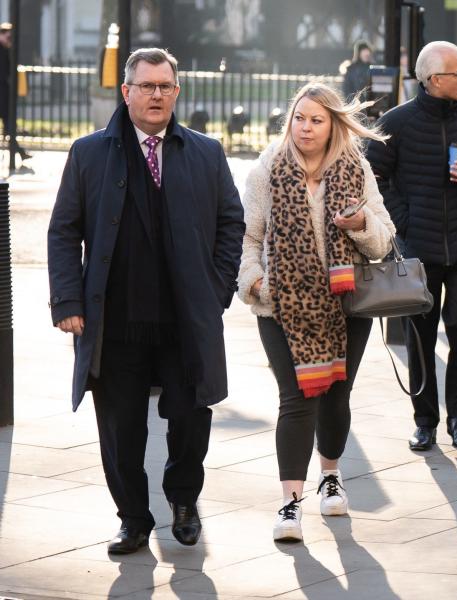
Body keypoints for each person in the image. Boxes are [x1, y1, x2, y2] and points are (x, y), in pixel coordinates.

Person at [47, 48, 244, 554]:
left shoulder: (206, 151)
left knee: (190, 415)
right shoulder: (89, 153)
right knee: (120, 427)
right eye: (147, 85)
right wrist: (68, 299)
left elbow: (231, 222)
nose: (157, 94)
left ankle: (183, 500)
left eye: (166, 86)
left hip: (185, 320)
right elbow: (64, 231)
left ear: (177, 92)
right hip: (115, 323)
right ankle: (133, 518)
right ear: (127, 91)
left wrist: (217, 289)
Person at [237, 81, 395, 542]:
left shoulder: (355, 167)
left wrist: (362, 223)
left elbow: (384, 237)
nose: (305, 128)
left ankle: (331, 474)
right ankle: (290, 505)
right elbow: (246, 237)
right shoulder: (267, 169)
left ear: (333, 126)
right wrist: (254, 282)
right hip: (282, 305)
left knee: (336, 396)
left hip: (348, 303)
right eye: (299, 118)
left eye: (316, 120)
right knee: (296, 399)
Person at [367, 41, 457, 452]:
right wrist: (403, 220)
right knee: (420, 336)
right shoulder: (396, 122)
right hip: (418, 251)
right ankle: (424, 421)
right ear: (433, 81)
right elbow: (373, 177)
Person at [0, 22, 29, 165]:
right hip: (3, 97)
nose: (9, 40)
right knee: (9, 127)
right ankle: (20, 153)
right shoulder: (3, 51)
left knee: (9, 127)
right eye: (7, 36)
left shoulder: (6, 50)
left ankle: (20, 152)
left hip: (5, 98)